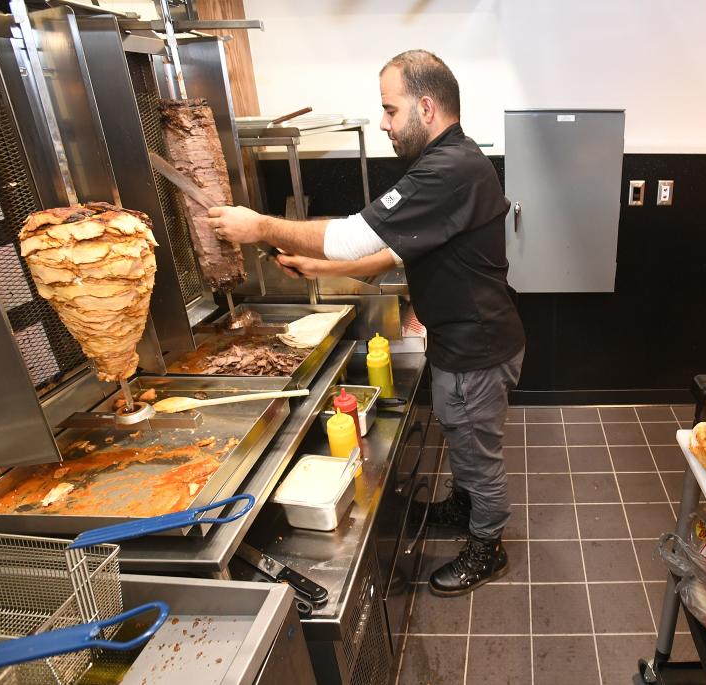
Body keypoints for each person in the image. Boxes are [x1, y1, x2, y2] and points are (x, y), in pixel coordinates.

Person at [208, 50, 525, 597]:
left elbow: (357, 235)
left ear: (426, 107)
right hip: (460, 342)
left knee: (477, 448)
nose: (383, 123)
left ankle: (486, 547)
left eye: (389, 109)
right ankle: (466, 506)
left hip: (478, 347)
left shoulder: (449, 169)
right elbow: (393, 252)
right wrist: (320, 265)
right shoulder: (450, 163)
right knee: (462, 435)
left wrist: (260, 226)